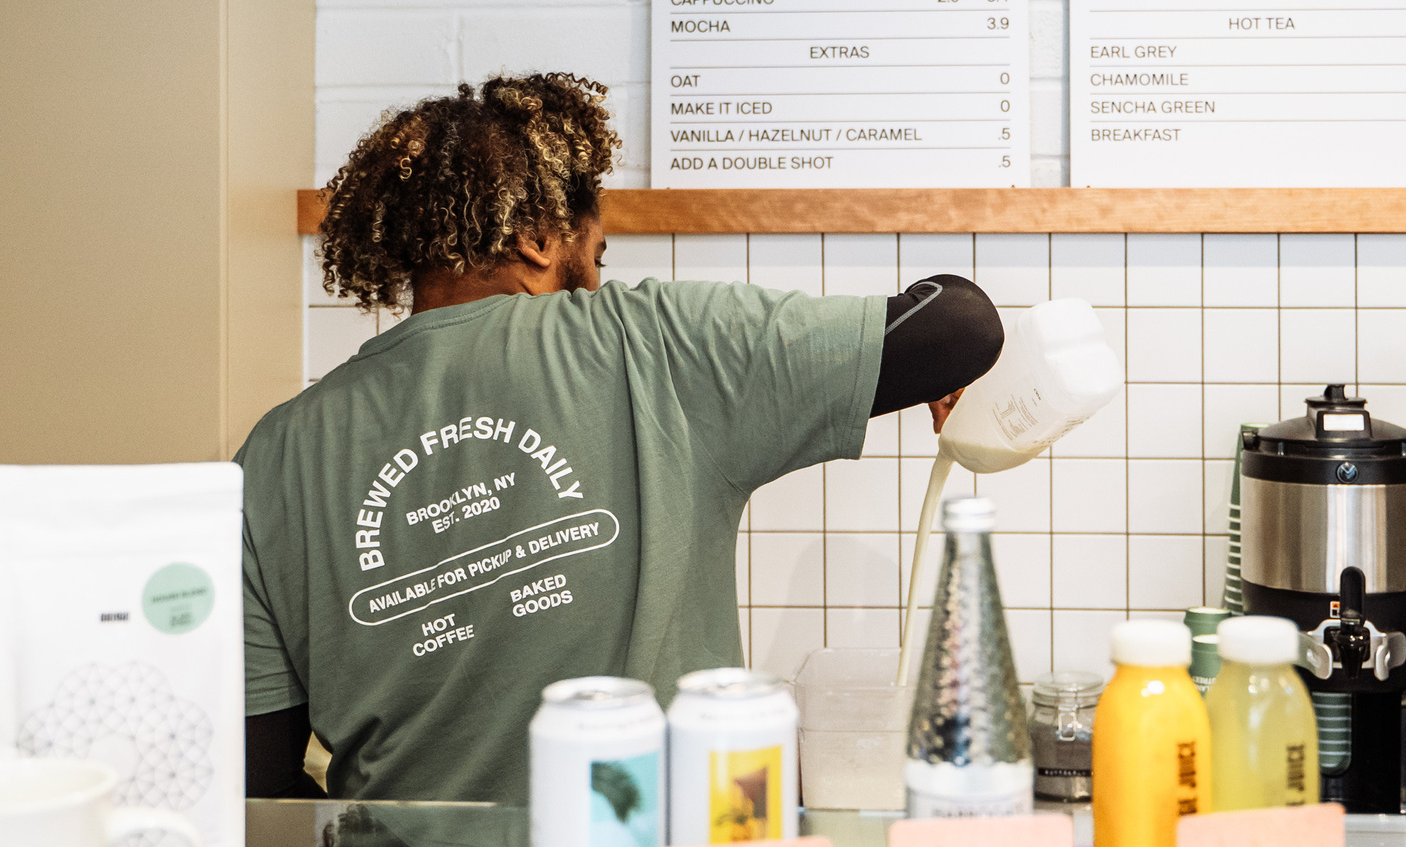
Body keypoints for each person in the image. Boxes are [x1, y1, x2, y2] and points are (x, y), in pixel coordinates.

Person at [238, 73, 1002, 802]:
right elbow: (956, 323)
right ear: (539, 235)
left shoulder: (272, 458)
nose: (598, 285)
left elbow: (260, 780)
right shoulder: (654, 342)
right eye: (595, 256)